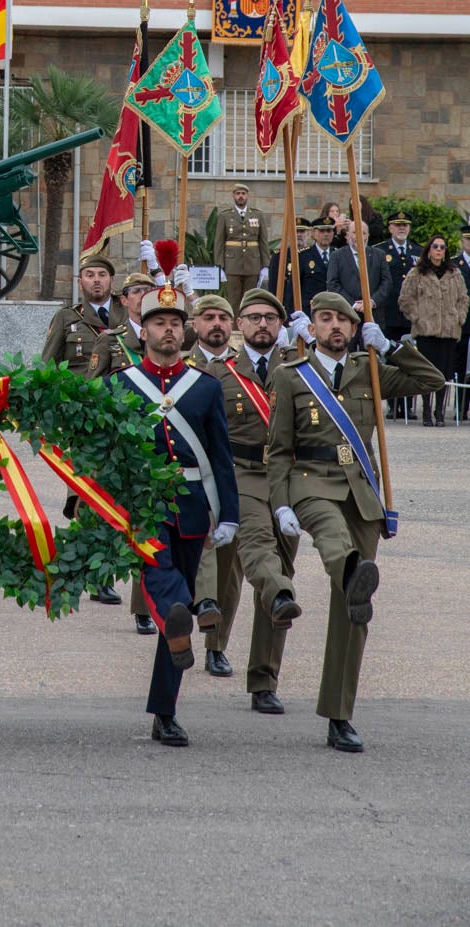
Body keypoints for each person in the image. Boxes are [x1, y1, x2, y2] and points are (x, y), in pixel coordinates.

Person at [271, 293, 444, 752]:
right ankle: (349, 569)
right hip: (312, 483)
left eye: (343, 321)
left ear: (353, 327)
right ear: (313, 326)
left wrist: (389, 347)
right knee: (333, 541)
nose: (334, 327)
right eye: (325, 318)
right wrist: (280, 502)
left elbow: (432, 379)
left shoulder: (368, 369)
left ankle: (339, 714)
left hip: (362, 492)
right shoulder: (292, 377)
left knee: (353, 609)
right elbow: (278, 449)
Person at [104, 281, 238, 748]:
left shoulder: (204, 387)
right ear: (141, 331)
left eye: (175, 324)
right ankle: (186, 611)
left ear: (185, 333)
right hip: (140, 505)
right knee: (165, 583)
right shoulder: (118, 385)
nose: (167, 331)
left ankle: (166, 711)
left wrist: (230, 515)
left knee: (174, 618)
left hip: (191, 504)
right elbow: (101, 452)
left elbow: (221, 456)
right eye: (159, 323)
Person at [211, 289, 301, 714]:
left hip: (285, 479)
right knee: (246, 560)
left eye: (270, 317)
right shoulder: (218, 372)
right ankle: (216, 643)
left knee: (277, 569)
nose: (262, 324)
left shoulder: (301, 369)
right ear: (238, 325)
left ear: (281, 324)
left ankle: (264, 680)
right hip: (239, 473)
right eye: (253, 317)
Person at [44, 250, 125, 603]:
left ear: (111, 281)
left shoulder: (130, 316)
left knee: (118, 491)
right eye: (89, 275)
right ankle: (98, 573)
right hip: (83, 418)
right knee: (90, 490)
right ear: (80, 283)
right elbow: (47, 366)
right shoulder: (66, 318)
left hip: (125, 416)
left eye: (101, 275)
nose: (95, 280)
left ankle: (99, 563)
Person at [87, 269, 158, 626]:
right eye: (137, 291)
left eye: (150, 290)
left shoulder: (168, 336)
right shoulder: (111, 341)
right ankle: (102, 577)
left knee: (148, 520)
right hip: (118, 441)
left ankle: (143, 605)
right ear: (125, 299)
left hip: (156, 443)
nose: (143, 295)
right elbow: (93, 390)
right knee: (112, 513)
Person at [182, 294, 240, 675]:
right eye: (208, 317)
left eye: (223, 317)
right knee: (188, 560)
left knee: (229, 570)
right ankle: (178, 637)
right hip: (193, 477)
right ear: (195, 325)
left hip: (238, 474)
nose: (216, 323)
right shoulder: (181, 368)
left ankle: (216, 645)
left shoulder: (247, 369)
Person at [398, 236, 469, 426]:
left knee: (444, 372)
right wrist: (417, 317)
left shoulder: (454, 273)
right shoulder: (417, 272)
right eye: (435, 246)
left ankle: (439, 412)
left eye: (442, 247)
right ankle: (427, 411)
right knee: (427, 371)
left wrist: (459, 317)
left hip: (448, 330)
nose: (439, 250)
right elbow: (405, 298)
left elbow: (463, 298)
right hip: (425, 331)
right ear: (429, 249)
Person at [377, 212, 422, 419]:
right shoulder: (381, 251)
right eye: (398, 225)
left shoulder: (418, 252)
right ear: (390, 228)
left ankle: (409, 406)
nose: (402, 228)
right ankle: (394, 405)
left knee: (411, 360)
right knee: (392, 360)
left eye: (405, 225)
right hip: (390, 315)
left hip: (411, 317)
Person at [213, 184, 269, 309]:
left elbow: (263, 241)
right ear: (233, 196)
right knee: (233, 300)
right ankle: (234, 328)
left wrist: (265, 265)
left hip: (253, 263)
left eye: (243, 194)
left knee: (250, 300)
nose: (241, 196)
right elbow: (219, 242)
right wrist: (219, 266)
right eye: (238, 194)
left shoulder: (257, 215)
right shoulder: (225, 216)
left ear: (247, 196)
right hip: (232, 264)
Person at [326, 218, 392, 315]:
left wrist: (372, 301)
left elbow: (386, 282)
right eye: (355, 232)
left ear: (368, 236)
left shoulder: (379, 255)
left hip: (374, 314)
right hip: (347, 314)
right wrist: (353, 304)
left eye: (363, 233)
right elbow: (332, 284)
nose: (360, 236)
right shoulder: (337, 256)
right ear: (347, 236)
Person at [265, 219, 313, 314]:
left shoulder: (313, 255)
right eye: (295, 231)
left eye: (302, 231)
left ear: (308, 234)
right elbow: (273, 286)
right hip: (286, 306)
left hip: (309, 307)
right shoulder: (280, 256)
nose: (299, 234)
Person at [300, 217, 337, 304]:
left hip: (334, 304)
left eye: (329, 231)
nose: (326, 234)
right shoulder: (303, 256)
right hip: (311, 305)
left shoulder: (338, 255)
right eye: (321, 231)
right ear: (313, 234)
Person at [455, 223, 470, 420]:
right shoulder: (454, 264)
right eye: (468, 239)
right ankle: (460, 407)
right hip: (462, 322)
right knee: (459, 366)